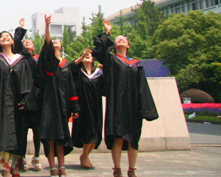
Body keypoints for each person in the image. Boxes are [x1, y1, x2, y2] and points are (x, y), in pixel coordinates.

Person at [93, 20, 159, 177]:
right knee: (118, 136)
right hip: (117, 104)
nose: (120, 39)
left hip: (133, 105)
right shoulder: (111, 60)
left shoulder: (137, 64)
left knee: (133, 138)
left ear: (128, 45)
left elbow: (143, 87)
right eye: (117, 39)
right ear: (114, 45)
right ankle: (117, 169)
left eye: (123, 39)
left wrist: (145, 108)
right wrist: (107, 33)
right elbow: (101, 53)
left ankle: (132, 169)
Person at [0, 30, 34, 177]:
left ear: (12, 42)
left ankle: (16, 165)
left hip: (18, 103)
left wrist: (26, 100)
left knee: (19, 133)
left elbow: (27, 81)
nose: (5, 37)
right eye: (2, 37)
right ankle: (5, 167)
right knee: (2, 134)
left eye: (8, 37)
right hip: (1, 103)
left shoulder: (21, 60)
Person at [36, 15, 79, 177]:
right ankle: (52, 166)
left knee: (61, 136)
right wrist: (47, 27)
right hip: (47, 103)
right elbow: (47, 44)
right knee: (49, 137)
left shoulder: (66, 64)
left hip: (62, 105)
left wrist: (74, 106)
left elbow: (71, 86)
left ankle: (62, 166)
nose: (54, 42)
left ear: (62, 45)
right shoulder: (47, 62)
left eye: (57, 41)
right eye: (52, 41)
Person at [13, 18, 42, 172]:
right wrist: (20, 28)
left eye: (29, 42)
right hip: (22, 97)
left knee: (37, 128)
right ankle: (21, 157)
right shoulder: (19, 60)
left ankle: (36, 156)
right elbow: (17, 43)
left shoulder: (37, 60)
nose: (27, 43)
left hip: (35, 97)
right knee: (22, 129)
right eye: (25, 42)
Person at [70, 47, 103, 169]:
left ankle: (85, 155)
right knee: (87, 131)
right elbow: (71, 68)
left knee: (96, 134)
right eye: (85, 55)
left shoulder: (99, 73)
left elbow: (105, 88)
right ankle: (84, 156)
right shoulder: (78, 73)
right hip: (83, 106)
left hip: (96, 106)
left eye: (89, 54)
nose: (88, 55)